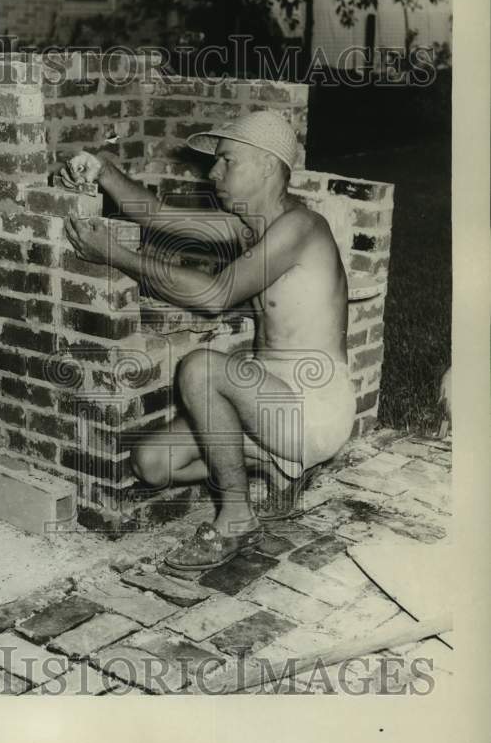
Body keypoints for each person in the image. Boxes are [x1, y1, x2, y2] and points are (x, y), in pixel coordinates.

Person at [61, 110, 356, 571]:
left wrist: (116, 255)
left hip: (315, 409)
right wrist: (102, 169)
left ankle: (236, 519)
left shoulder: (301, 228)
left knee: (200, 367)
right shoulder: (249, 227)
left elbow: (215, 296)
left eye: (226, 161)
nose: (213, 173)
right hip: (266, 404)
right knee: (152, 464)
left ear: (264, 164)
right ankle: (276, 468)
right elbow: (156, 214)